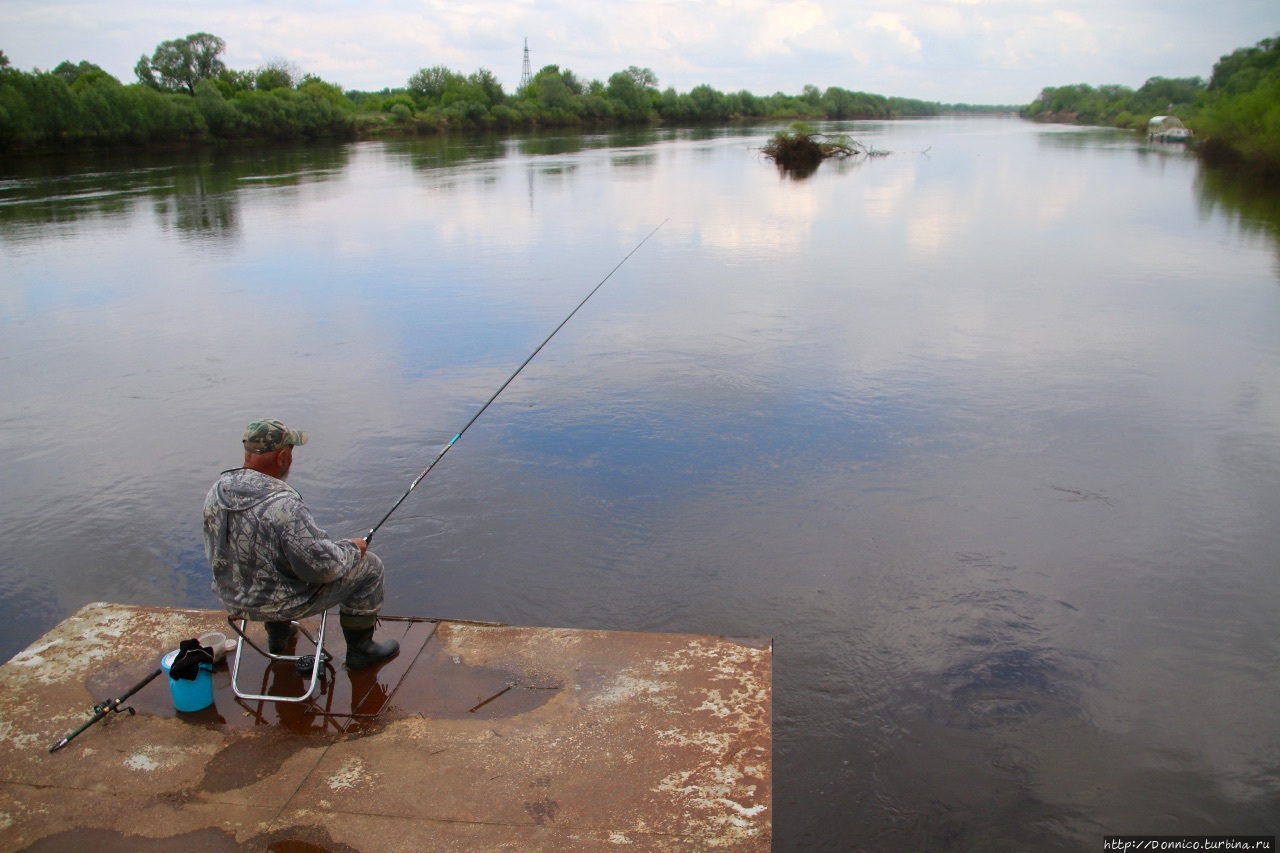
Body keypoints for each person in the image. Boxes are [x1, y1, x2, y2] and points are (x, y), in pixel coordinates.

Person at [203, 418, 399, 669]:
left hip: (232, 597)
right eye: (291, 452)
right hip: (279, 603)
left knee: (270, 557)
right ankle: (361, 650)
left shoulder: (217, 491)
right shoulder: (284, 505)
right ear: (283, 457)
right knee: (370, 566)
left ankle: (278, 636)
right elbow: (322, 569)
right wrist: (353, 549)